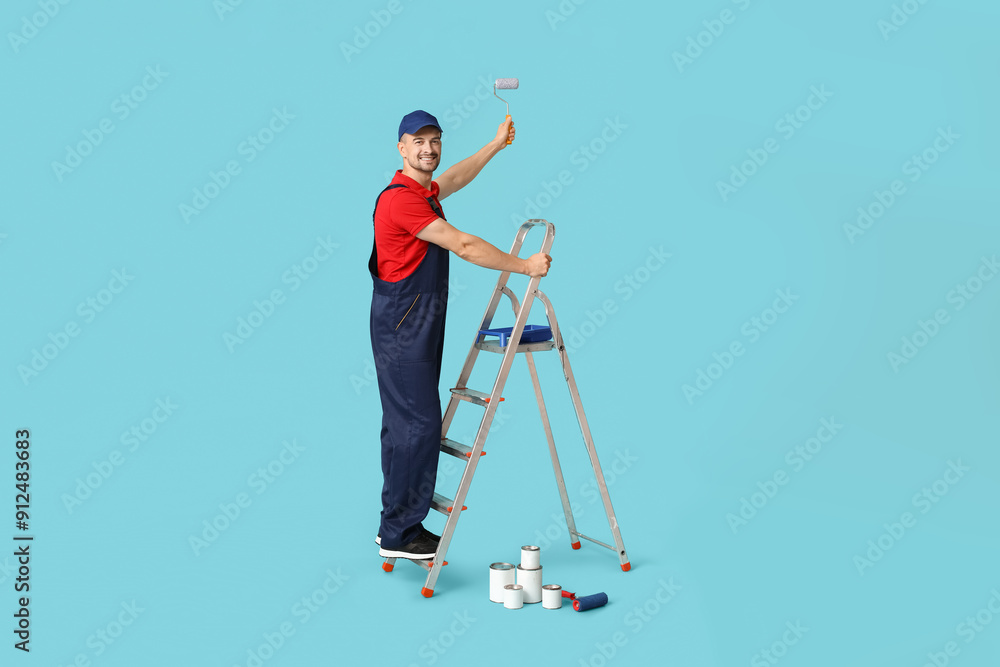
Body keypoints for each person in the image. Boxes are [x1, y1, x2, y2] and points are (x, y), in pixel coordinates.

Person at [369, 110, 551, 559]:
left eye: (435, 140)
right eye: (419, 142)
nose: (428, 149)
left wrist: (494, 144)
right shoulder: (401, 200)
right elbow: (463, 244)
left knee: (402, 426)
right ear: (401, 147)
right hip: (403, 325)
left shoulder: (421, 190)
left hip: (414, 320)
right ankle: (400, 535)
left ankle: (394, 523)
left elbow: (453, 178)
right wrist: (526, 266)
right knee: (418, 425)